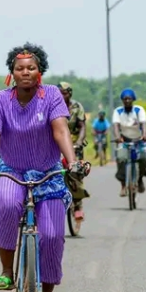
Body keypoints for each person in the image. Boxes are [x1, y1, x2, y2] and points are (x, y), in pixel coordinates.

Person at [0, 43, 86, 292]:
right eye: (19, 68)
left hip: (48, 174)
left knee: (51, 236)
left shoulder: (51, 96)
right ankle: (6, 271)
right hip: (11, 170)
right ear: (11, 73)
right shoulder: (1, 100)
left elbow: (61, 130)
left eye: (31, 68)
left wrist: (72, 162)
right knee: (8, 206)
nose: (25, 72)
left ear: (40, 71)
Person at [58, 82, 89, 227]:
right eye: (60, 92)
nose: (62, 95)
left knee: (76, 172)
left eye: (65, 92)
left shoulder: (77, 107)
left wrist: (80, 141)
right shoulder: (53, 106)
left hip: (74, 144)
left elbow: (82, 126)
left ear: (70, 93)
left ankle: (78, 204)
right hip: (56, 145)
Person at [112, 88, 146, 195]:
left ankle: (140, 178)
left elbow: (143, 124)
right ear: (122, 100)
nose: (127, 101)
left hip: (139, 140)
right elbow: (115, 126)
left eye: (129, 99)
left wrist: (145, 135)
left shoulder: (139, 110)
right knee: (121, 157)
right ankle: (123, 184)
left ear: (133, 99)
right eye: (125, 99)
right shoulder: (118, 111)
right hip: (124, 140)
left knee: (145, 155)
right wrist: (118, 137)